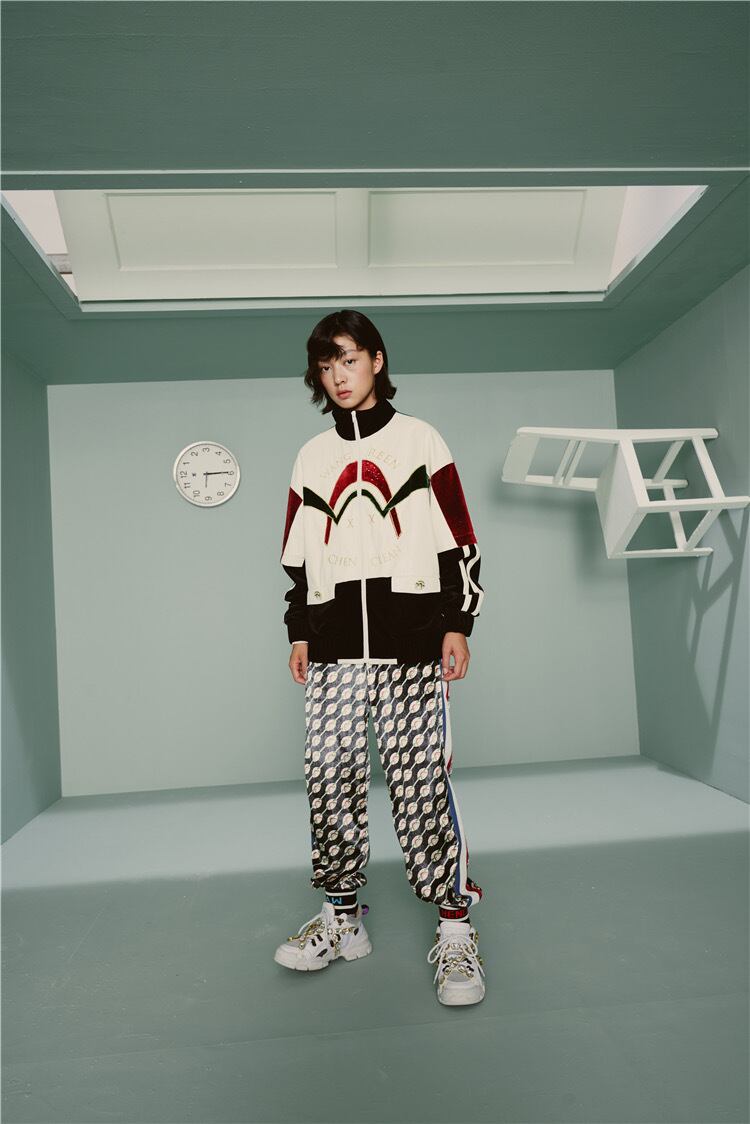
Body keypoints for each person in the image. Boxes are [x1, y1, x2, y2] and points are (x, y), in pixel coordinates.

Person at [274, 309, 486, 1006]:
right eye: (325, 365)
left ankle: (455, 930)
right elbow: (298, 559)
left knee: (420, 782)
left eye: (348, 359)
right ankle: (343, 918)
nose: (338, 376)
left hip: (412, 645)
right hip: (334, 648)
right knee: (327, 773)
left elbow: (460, 541)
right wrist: (300, 631)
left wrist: (457, 623)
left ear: (376, 360)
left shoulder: (420, 440)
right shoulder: (311, 456)